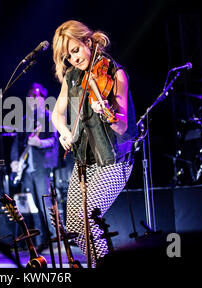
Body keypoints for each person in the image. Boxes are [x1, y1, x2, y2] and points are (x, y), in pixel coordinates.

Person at [51, 20, 138, 266]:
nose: (73, 59)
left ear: (87, 41)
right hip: (84, 162)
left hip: (113, 161)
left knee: (87, 218)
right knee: (74, 226)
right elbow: (57, 114)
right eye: (67, 56)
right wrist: (64, 132)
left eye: (75, 50)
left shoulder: (114, 73)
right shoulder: (72, 77)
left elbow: (121, 125)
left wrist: (105, 112)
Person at [10, 83, 59, 252]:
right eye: (29, 98)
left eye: (35, 97)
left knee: (46, 204)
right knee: (30, 206)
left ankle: (56, 239)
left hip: (41, 167)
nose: (32, 101)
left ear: (42, 98)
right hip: (27, 170)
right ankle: (37, 242)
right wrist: (14, 161)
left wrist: (39, 142)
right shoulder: (25, 120)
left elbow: (53, 141)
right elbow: (17, 143)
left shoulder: (49, 117)